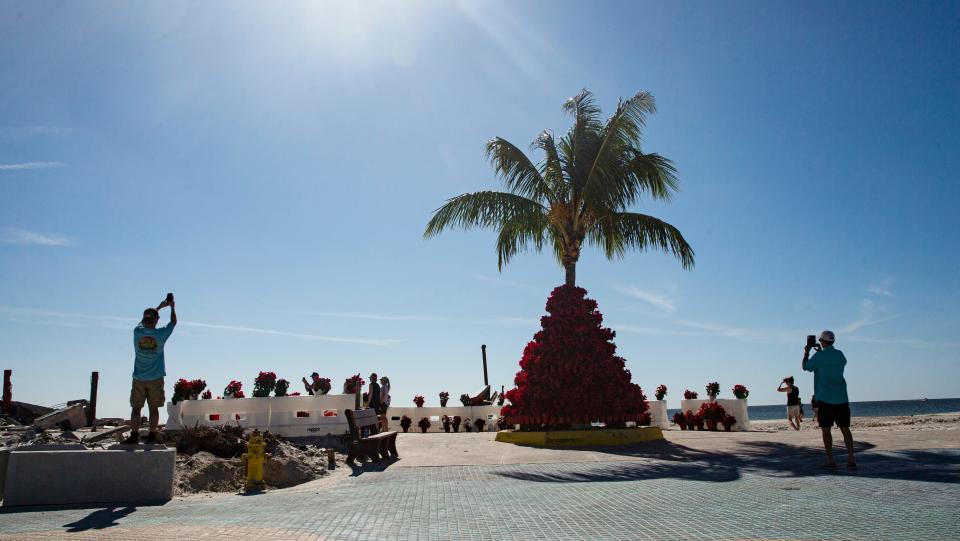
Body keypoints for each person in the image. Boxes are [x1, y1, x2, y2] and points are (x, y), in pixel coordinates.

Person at [123, 294, 177, 444]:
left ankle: (134, 436)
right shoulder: (160, 334)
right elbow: (173, 323)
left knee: (136, 408)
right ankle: (152, 435)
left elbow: (142, 321)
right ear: (156, 320)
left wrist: (158, 307)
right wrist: (171, 307)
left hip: (139, 377)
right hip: (156, 378)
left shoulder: (137, 332)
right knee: (154, 409)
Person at [803, 330, 856, 470]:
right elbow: (837, 363)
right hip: (841, 397)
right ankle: (851, 458)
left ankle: (830, 459)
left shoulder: (819, 356)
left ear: (821, 341)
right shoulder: (840, 355)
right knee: (845, 429)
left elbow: (806, 367)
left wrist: (807, 352)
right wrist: (821, 353)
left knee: (826, 430)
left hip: (825, 399)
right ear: (833, 341)